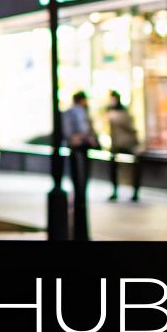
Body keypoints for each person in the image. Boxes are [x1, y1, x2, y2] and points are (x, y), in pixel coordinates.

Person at [63, 91, 96, 229]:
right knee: (79, 176)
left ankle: (80, 198)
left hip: (83, 147)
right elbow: (70, 132)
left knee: (82, 177)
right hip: (77, 148)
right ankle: (79, 198)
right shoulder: (72, 112)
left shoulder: (83, 112)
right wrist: (78, 138)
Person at [104, 91, 142, 202]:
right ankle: (115, 191)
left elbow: (130, 128)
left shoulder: (123, 113)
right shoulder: (110, 111)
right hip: (116, 144)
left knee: (134, 167)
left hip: (127, 144)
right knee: (113, 168)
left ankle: (135, 192)